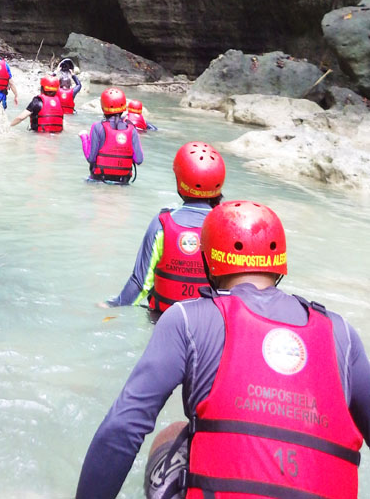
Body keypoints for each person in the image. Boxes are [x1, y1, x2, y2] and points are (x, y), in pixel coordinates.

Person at [76, 200, 370, 499]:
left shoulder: (187, 319)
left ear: (208, 262)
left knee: (172, 434)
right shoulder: (342, 334)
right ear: (279, 264)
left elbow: (123, 428)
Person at [102, 142, 225, 317]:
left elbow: (140, 282)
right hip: (209, 326)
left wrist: (113, 305)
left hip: (162, 321)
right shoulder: (225, 226)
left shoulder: (161, 223)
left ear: (179, 180)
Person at [79, 87, 143, 183]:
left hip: (99, 180)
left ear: (103, 107)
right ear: (123, 108)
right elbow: (139, 160)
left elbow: (91, 158)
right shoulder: (132, 129)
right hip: (122, 182)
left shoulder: (97, 127)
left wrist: (84, 137)